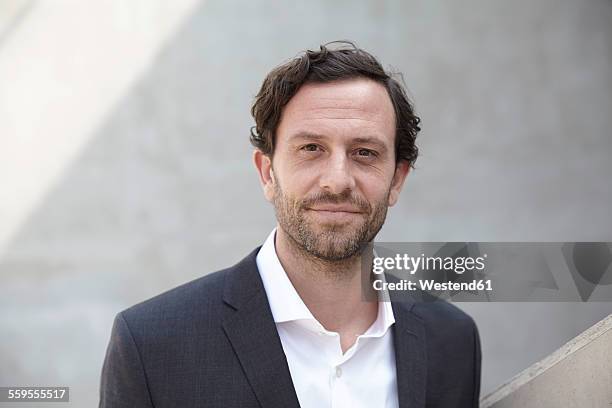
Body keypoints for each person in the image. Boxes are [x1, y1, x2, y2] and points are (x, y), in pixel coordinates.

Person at [99, 41, 481, 408]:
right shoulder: (152, 345)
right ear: (267, 172)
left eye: (365, 153)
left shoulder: (451, 340)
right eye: (311, 149)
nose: (337, 181)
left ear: (397, 179)